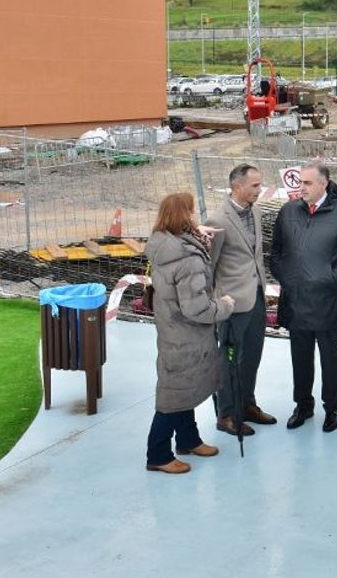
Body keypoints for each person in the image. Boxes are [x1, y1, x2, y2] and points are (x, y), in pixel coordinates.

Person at [144, 192, 236, 474]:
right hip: (187, 334)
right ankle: (158, 454)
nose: (196, 216)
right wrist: (224, 306)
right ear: (184, 215)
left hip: (172, 330)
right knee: (174, 394)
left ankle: (187, 439)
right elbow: (196, 308)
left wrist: (198, 237)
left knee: (186, 387)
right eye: (192, 211)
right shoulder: (187, 260)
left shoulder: (162, 243)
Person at [271, 162, 337, 433]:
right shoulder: (288, 211)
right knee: (299, 357)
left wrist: (331, 278)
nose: (302, 187)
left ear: (324, 184)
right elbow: (275, 251)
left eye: (308, 183)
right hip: (295, 300)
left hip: (326, 301)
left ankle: (332, 408)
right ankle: (303, 405)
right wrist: (284, 277)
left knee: (329, 358)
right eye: (300, 182)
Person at [206, 164, 276, 438]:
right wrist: (215, 302)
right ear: (237, 186)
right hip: (232, 304)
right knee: (230, 359)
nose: (260, 190)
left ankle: (247, 405)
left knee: (252, 356)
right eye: (255, 186)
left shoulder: (255, 212)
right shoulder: (218, 221)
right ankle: (226, 414)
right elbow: (210, 266)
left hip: (256, 297)